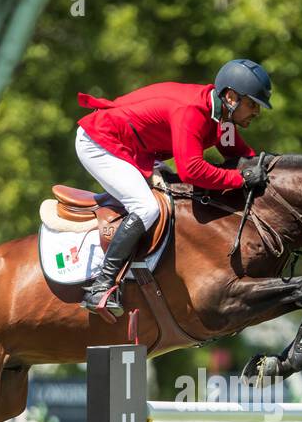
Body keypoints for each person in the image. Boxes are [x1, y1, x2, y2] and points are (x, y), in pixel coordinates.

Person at [73, 58, 273, 319]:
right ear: (232, 97)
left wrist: (269, 170)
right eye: (252, 105)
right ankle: (101, 285)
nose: (256, 112)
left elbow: (239, 153)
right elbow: (193, 171)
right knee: (146, 207)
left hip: (138, 148)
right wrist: (240, 179)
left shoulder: (222, 115)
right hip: (100, 143)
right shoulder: (192, 111)